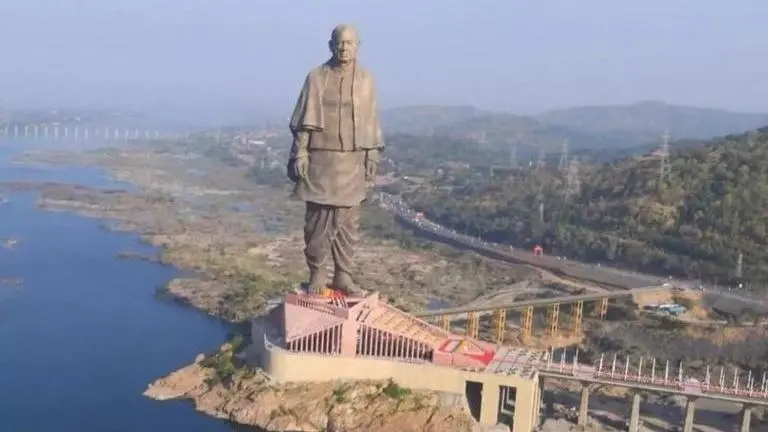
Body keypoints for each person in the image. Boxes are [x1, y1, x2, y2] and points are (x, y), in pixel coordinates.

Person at [286, 24, 384, 295]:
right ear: (331, 45)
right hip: (321, 158)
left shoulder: (367, 79)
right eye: (340, 43)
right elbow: (304, 119)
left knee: (348, 221)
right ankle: (317, 270)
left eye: (349, 43)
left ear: (358, 46)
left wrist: (372, 154)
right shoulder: (317, 77)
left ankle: (343, 274)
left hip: (353, 158)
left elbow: (371, 119)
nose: (344, 48)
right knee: (317, 219)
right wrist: (301, 151)